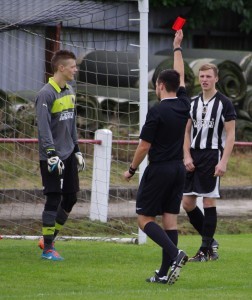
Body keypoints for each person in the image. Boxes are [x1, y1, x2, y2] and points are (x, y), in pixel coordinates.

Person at [124, 29, 190, 285]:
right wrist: (177, 48)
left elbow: (143, 147)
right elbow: (181, 75)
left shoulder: (157, 111)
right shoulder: (184, 104)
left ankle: (175, 255)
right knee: (169, 221)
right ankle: (164, 274)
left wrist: (131, 169)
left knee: (144, 220)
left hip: (160, 169)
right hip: (178, 170)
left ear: (161, 86)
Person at [182, 63, 236, 262]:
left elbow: (231, 136)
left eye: (208, 76)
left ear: (216, 79)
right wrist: (186, 155)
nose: (204, 79)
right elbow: (186, 131)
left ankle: (204, 251)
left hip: (212, 156)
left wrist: (223, 162)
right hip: (194, 156)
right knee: (187, 203)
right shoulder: (193, 102)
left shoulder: (224, 103)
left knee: (208, 200)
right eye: (202, 76)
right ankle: (210, 242)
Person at [35, 50, 85, 261]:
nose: (76, 69)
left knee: (71, 197)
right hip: (51, 156)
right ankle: (47, 250)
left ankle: (48, 238)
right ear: (61, 68)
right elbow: (43, 128)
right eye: (73, 66)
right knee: (54, 198)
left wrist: (77, 149)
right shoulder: (46, 93)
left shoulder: (70, 91)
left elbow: (71, 124)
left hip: (68, 153)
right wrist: (51, 154)